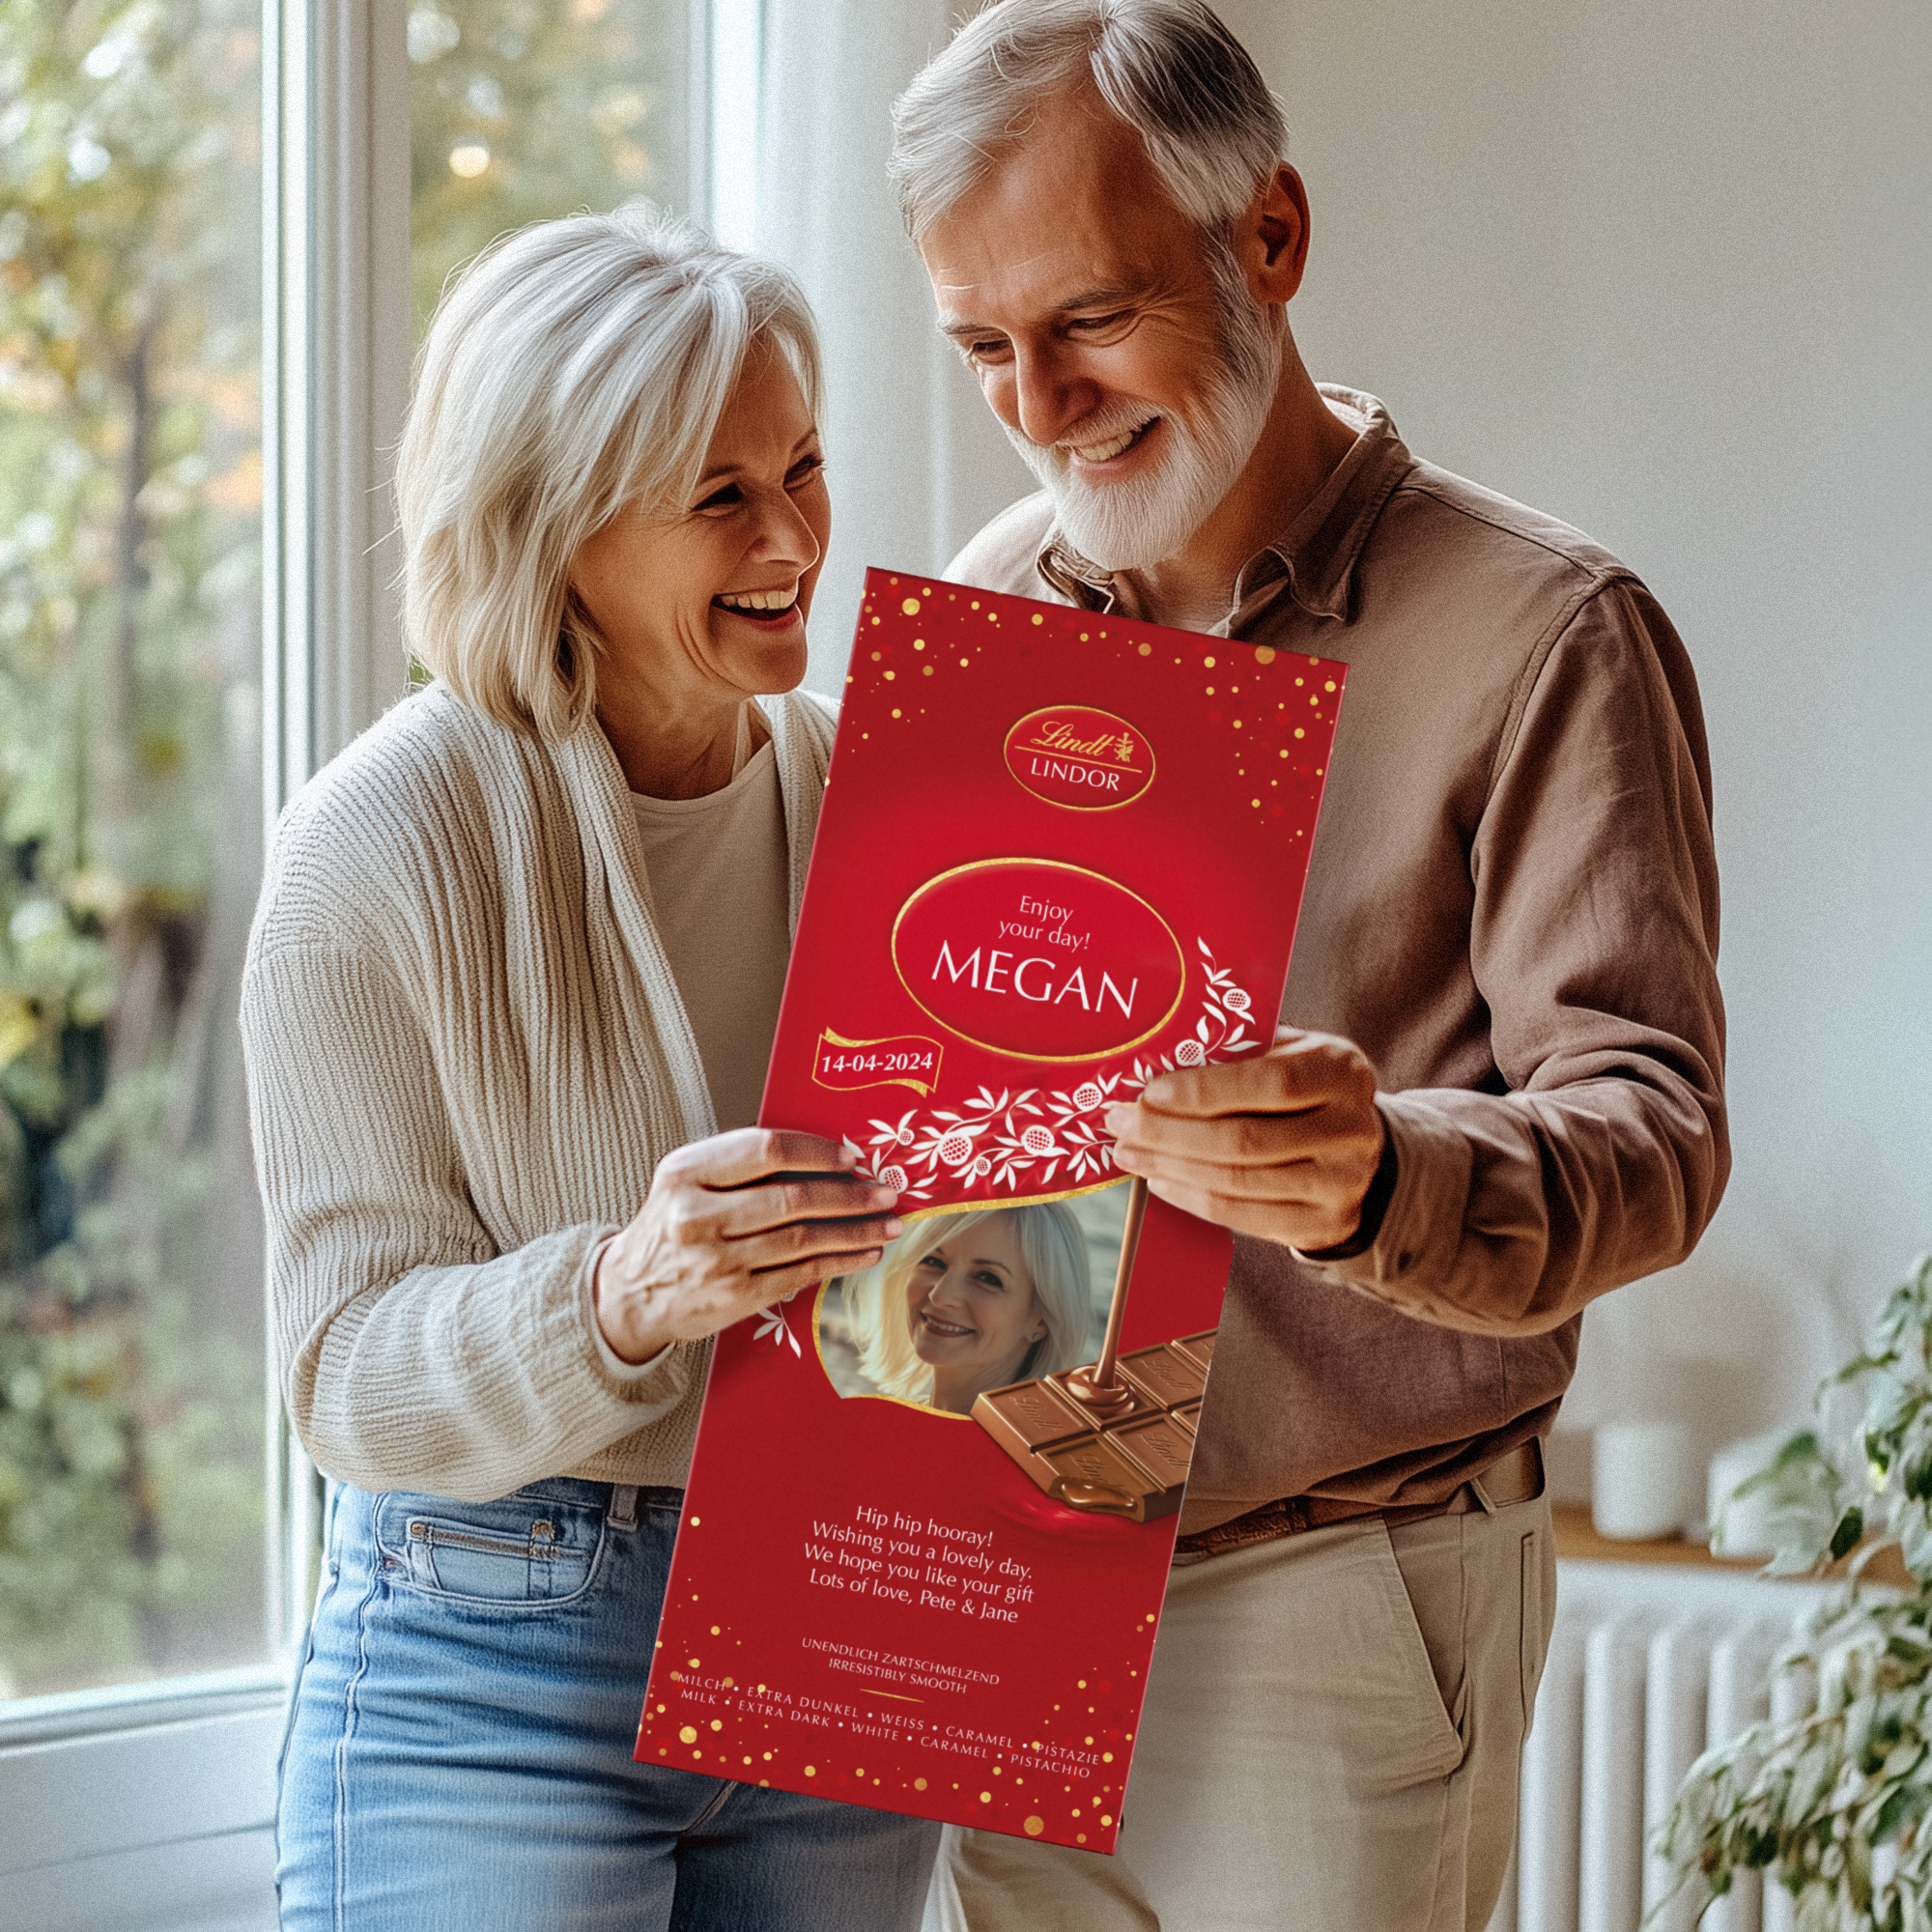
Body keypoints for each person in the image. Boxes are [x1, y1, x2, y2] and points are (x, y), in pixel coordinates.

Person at [889, 4, 1726, 1928]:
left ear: (1264, 238)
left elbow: (1653, 1133)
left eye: (1088, 319)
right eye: (979, 347)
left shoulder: (1544, 632)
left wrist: (1379, 1177)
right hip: (1005, 1572)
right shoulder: (989, 603)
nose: (1036, 400)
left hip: (1331, 1593)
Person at [241, 206, 939, 1930]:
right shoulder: (369, 848)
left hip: (837, 1620)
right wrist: (620, 1293)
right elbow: (339, 1375)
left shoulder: (898, 812)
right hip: (490, 1662)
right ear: (555, 533)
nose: (796, 537)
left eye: (805, 467)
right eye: (721, 495)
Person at [839, 1203, 1092, 1411]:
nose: (941, 1295)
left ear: (1041, 1319)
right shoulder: (889, 1426)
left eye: (987, 1278)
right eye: (933, 1260)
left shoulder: (1018, 1463)